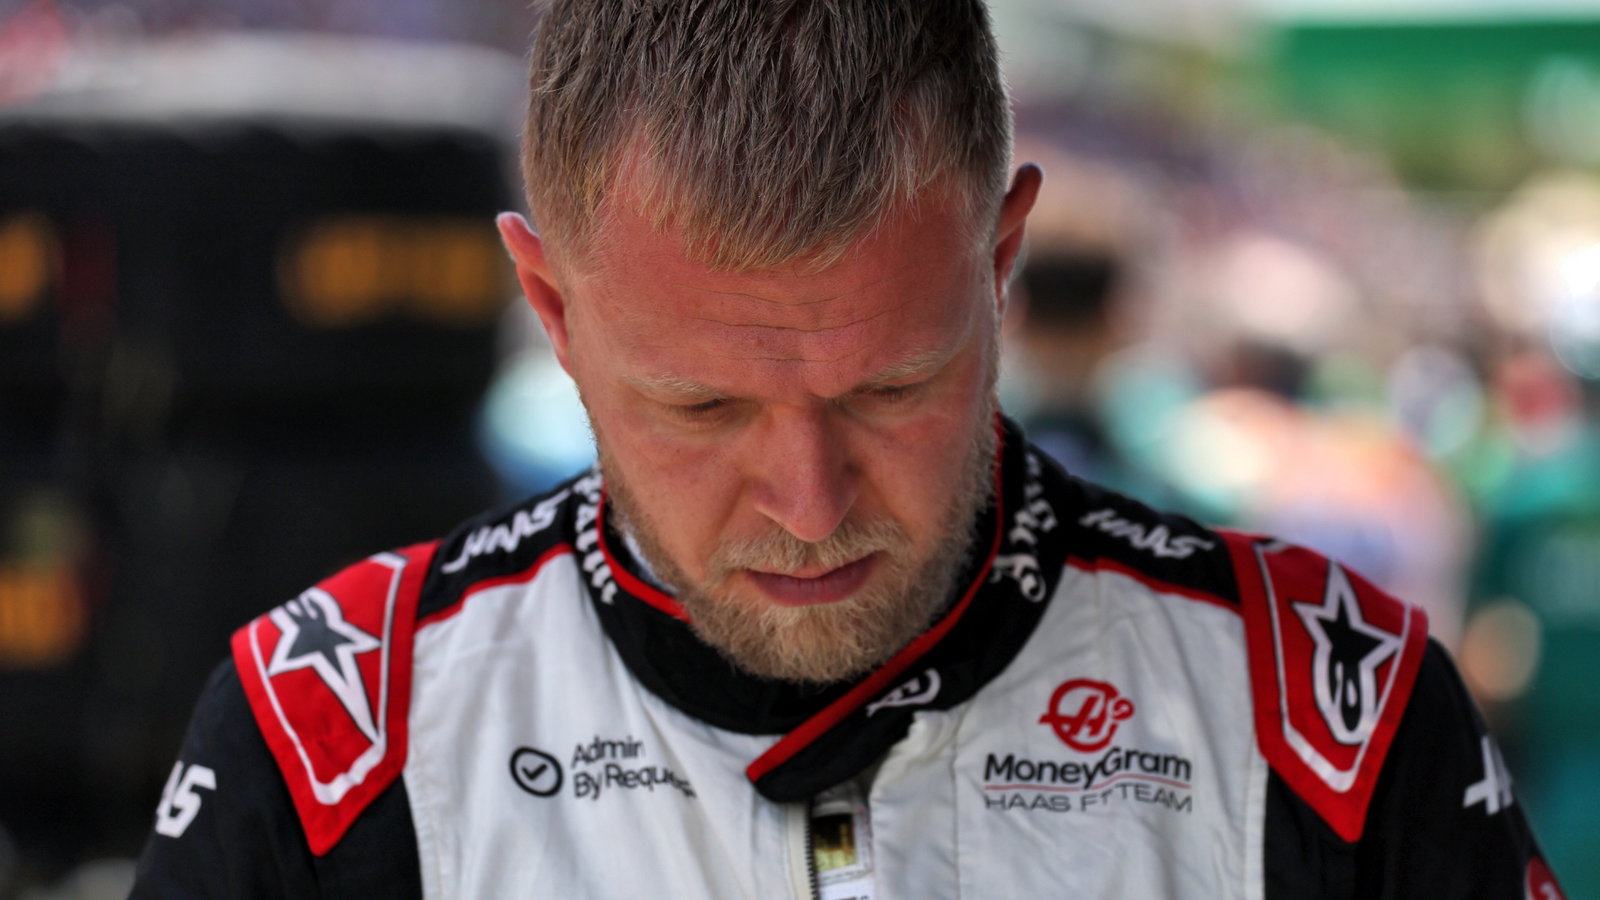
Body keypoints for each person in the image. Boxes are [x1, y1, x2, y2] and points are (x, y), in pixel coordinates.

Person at [131, 1, 1563, 897]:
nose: (808, 503)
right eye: (701, 408)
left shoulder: (1333, 718)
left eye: (892, 388)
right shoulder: (333, 737)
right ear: (552, 309)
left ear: (1000, 259)